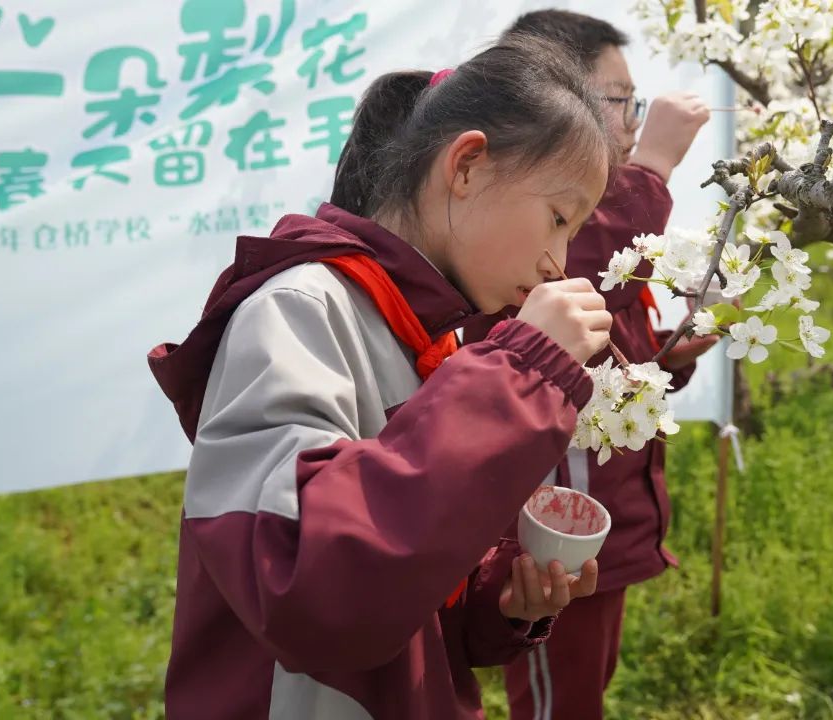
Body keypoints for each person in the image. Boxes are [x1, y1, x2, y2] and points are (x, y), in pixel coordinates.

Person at [147, 35, 617, 720]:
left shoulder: (434, 338)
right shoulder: (299, 307)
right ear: (467, 166)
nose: (558, 260)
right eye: (557, 217)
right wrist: (521, 371)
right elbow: (308, 589)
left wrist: (496, 602)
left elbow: (402, 588)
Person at [463, 11, 718, 719]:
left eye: (638, 105)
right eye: (621, 101)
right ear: (552, 99)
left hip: (607, 512)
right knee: (558, 699)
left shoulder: (603, 210)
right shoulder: (549, 228)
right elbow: (579, 277)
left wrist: (670, 361)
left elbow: (612, 335)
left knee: (584, 686)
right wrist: (656, 166)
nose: (636, 121)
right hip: (558, 525)